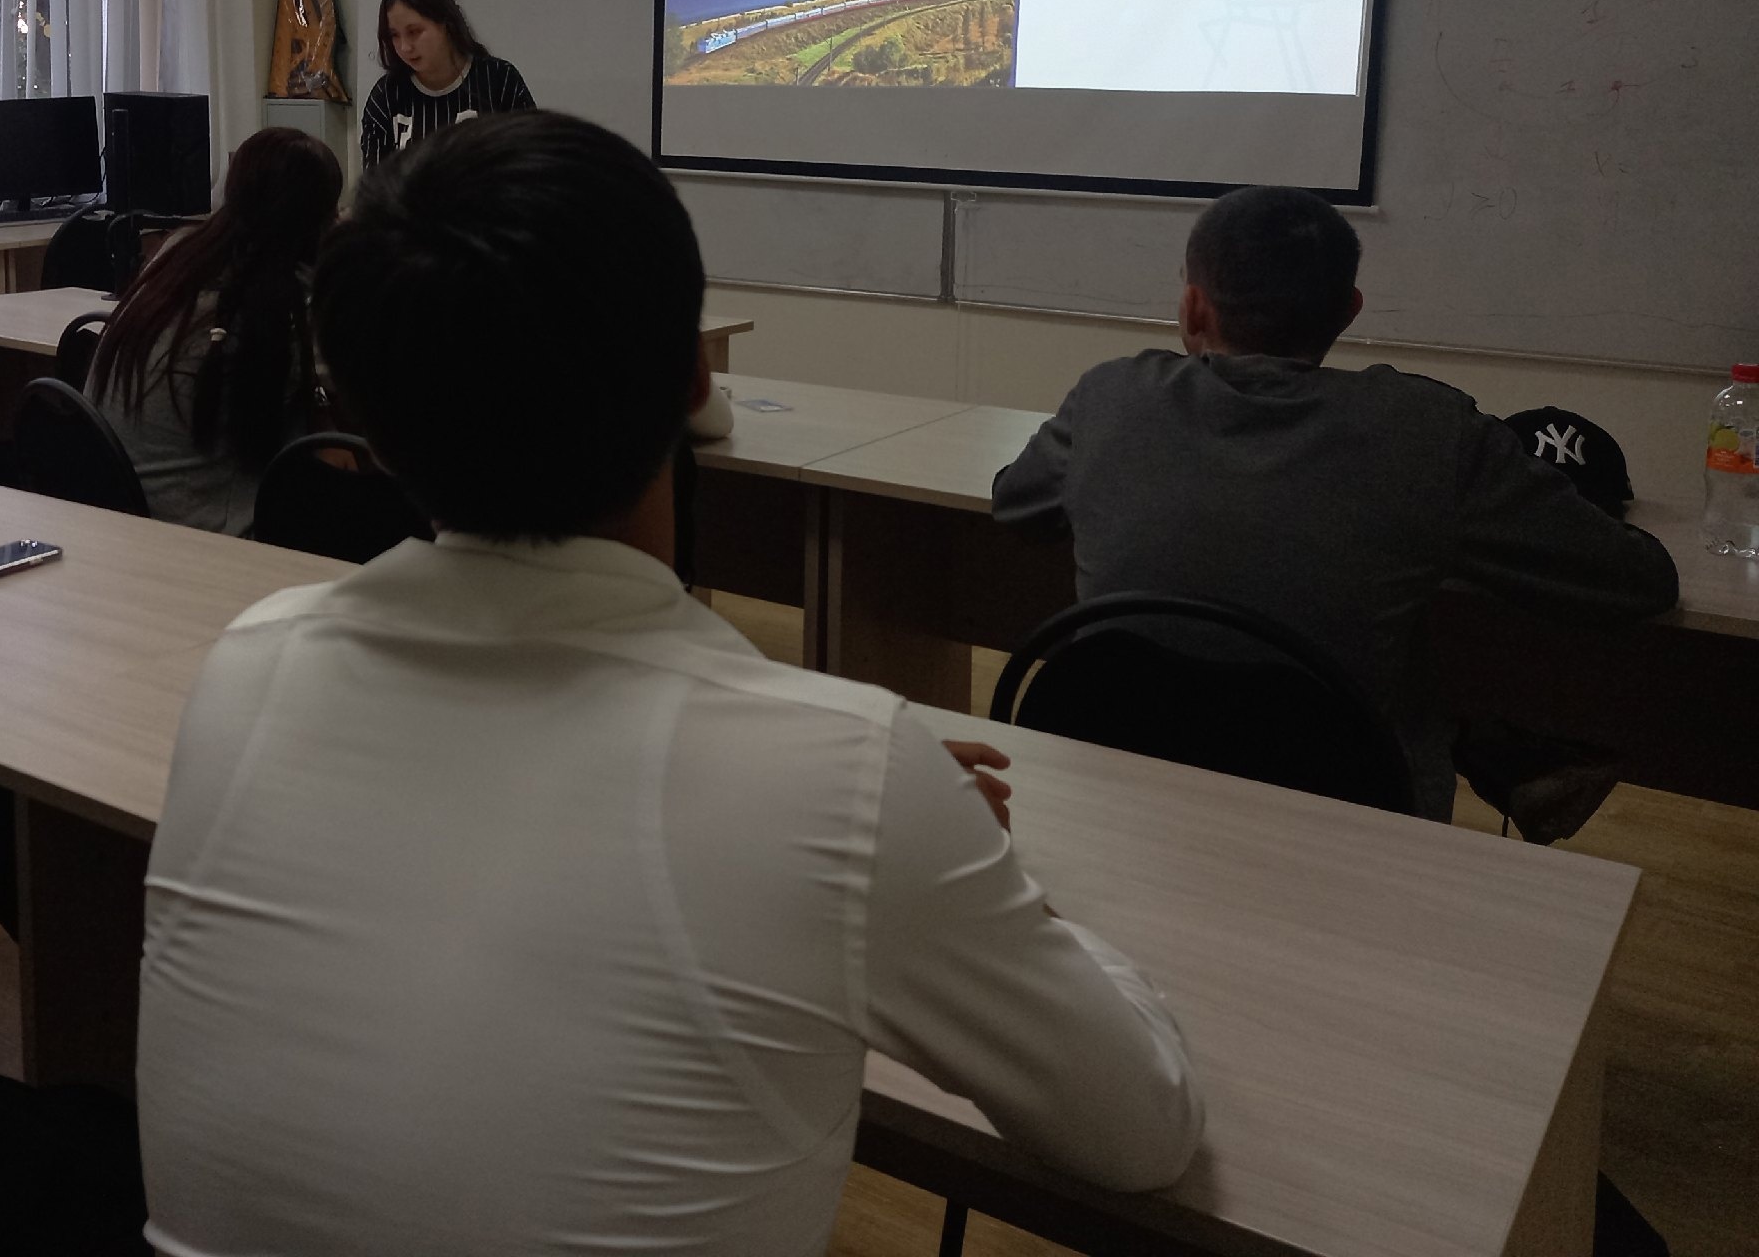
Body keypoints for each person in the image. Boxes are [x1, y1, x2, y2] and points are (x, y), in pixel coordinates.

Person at [137, 113, 1204, 1256]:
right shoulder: (847, 779)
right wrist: (936, 846)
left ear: (359, 420)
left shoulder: (248, 665)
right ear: (695, 376)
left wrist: (852, 792)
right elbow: (1140, 1132)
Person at [991, 184, 1680, 820]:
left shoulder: (1111, 398)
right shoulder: (1428, 433)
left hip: (1110, 800)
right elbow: (1637, 582)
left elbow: (1017, 506)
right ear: (1348, 310)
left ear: (1194, 306)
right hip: (1340, 822)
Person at [90, 127, 342, 533]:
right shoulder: (270, 313)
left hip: (124, 522)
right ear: (315, 224)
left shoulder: (178, 255)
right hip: (206, 537)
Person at [356, 0, 535, 173]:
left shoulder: (500, 82)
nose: (405, 47)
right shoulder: (386, 97)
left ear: (446, 24)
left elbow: (532, 165)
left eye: (414, 32)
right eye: (394, 35)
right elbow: (376, 182)